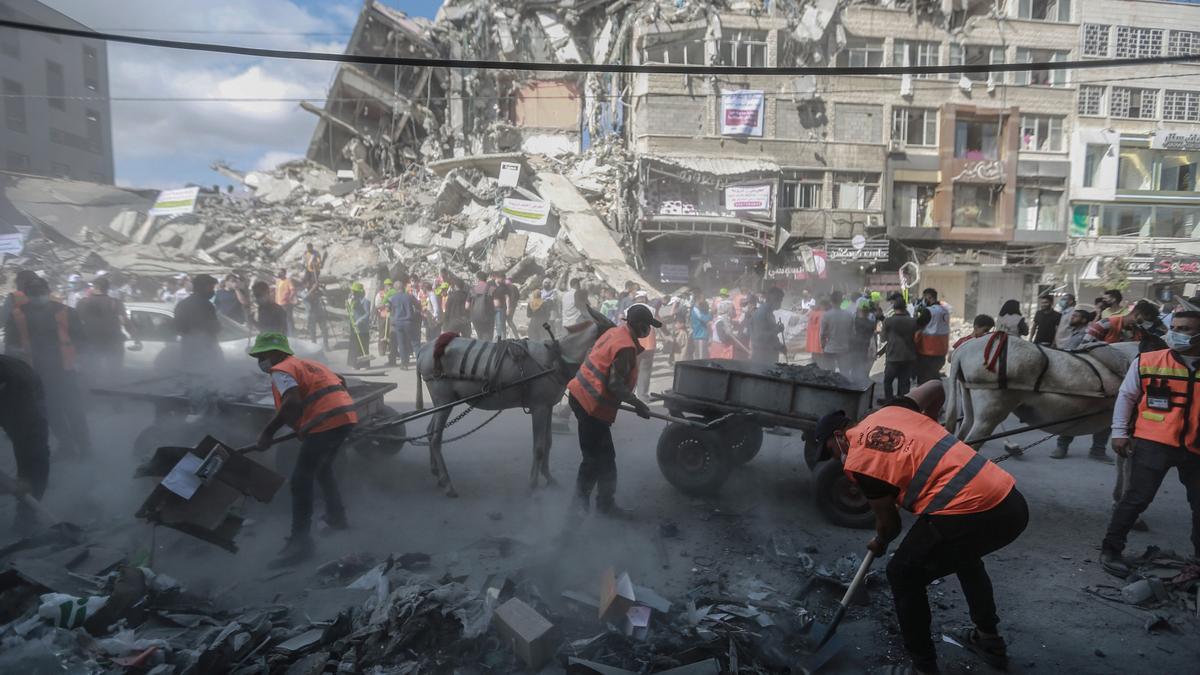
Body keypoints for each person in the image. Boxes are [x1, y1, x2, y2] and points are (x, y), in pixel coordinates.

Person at [809, 382, 1027, 675]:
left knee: (902, 572)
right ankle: (989, 640)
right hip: (1010, 502)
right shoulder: (893, 410)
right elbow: (937, 387)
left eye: (831, 452)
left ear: (838, 435)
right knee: (963, 555)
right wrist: (931, 426)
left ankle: (922, 668)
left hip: (973, 508)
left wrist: (880, 541)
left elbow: (890, 526)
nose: (835, 459)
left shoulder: (860, 460)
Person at [1099, 311, 1200, 578]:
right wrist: (1119, 432)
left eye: (1186, 329)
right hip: (1153, 443)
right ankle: (1110, 550)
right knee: (1135, 499)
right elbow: (1126, 397)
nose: (1177, 333)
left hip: (1196, 448)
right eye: (1175, 327)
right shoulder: (1148, 361)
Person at [250, 332, 357, 567]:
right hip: (345, 416)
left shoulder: (282, 369)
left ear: (279, 352)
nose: (260, 361)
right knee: (323, 468)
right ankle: (337, 517)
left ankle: (300, 543)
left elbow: (292, 403)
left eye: (263, 355)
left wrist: (267, 432)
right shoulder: (309, 364)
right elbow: (340, 380)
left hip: (326, 422)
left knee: (300, 480)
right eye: (258, 356)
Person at [567, 303, 656, 518]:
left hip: (581, 395)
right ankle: (578, 509)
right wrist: (638, 404)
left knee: (605, 457)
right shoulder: (625, 347)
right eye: (649, 327)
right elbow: (615, 384)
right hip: (591, 405)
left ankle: (604, 504)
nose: (649, 331)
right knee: (593, 459)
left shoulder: (616, 331)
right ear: (641, 326)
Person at [5, 277, 90, 458]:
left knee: (73, 410)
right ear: (27, 294)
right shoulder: (17, 314)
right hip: (36, 373)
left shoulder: (66, 312)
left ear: (47, 291)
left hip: (65, 370)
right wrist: (16, 351)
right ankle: (67, 446)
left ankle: (85, 449)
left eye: (41, 292)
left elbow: (81, 340)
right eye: (34, 293)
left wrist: (81, 361)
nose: (38, 296)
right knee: (51, 413)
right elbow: (10, 344)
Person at [0, 354, 50, 533]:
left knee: (33, 453)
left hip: (22, 386)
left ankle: (27, 517)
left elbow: (33, 448)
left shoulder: (18, 391)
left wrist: (21, 484)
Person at [75, 276, 138, 383]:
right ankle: (112, 394)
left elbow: (76, 323)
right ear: (107, 288)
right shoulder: (115, 302)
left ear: (95, 287)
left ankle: (92, 395)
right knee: (115, 374)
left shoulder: (83, 302)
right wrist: (135, 336)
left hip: (91, 343)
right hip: (113, 343)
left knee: (91, 373)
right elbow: (124, 321)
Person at [174, 274, 223, 368]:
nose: (213, 291)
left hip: (188, 349)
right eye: (211, 288)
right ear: (201, 287)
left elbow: (177, 327)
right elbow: (213, 327)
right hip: (205, 350)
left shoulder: (182, 304)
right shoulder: (206, 305)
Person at [881, 300, 918, 401]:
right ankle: (903, 404)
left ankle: (889, 402)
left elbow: (883, 339)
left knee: (888, 381)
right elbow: (917, 337)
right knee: (904, 382)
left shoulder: (888, 321)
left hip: (893, 356)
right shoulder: (913, 321)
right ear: (905, 308)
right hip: (909, 356)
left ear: (894, 309)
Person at [914, 288, 951, 384]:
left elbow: (917, 324)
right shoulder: (945, 310)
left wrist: (916, 312)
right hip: (942, 349)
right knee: (934, 374)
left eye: (924, 298)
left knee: (924, 377)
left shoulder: (929, 311)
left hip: (928, 349)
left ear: (928, 297)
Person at [389, 283, 421, 369]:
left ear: (396, 289)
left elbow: (391, 310)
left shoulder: (393, 298)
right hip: (409, 321)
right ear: (403, 288)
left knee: (401, 343)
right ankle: (421, 361)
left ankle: (404, 364)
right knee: (415, 342)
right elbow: (418, 305)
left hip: (398, 323)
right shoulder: (409, 296)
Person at [749, 287, 785, 364]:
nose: (780, 303)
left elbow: (770, 336)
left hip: (769, 355)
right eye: (780, 301)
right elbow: (759, 336)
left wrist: (779, 346)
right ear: (774, 300)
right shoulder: (761, 314)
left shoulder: (770, 313)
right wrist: (777, 329)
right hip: (762, 358)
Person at [820, 291, 852, 374]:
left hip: (830, 349)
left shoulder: (827, 315)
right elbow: (852, 333)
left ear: (831, 301)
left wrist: (823, 346)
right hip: (844, 349)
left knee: (830, 374)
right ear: (841, 301)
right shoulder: (848, 315)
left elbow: (822, 334)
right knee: (845, 374)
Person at [849, 301, 877, 384]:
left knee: (854, 368)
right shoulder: (871, 323)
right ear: (868, 312)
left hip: (854, 348)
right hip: (865, 348)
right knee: (863, 367)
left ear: (858, 310)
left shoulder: (854, 321)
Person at [634, 304, 658, 401]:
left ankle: (630, 394)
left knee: (633, 369)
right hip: (648, 343)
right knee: (645, 371)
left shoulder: (629, 309)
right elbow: (659, 323)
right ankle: (642, 395)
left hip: (635, 343)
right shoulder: (651, 309)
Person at [346, 282, 371, 367]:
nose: (353, 293)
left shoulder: (366, 302)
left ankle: (365, 364)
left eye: (355, 292)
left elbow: (367, 314)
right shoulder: (353, 301)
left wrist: (358, 321)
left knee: (363, 347)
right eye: (353, 292)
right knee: (355, 346)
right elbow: (350, 311)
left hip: (363, 328)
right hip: (354, 327)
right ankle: (356, 364)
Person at [304, 279, 331, 351]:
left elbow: (327, 296)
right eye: (309, 284)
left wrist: (324, 289)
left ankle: (326, 345)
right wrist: (313, 289)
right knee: (312, 331)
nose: (310, 285)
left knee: (325, 330)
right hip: (311, 314)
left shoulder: (317, 292)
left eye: (311, 284)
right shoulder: (305, 291)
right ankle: (314, 346)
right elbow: (305, 297)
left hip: (320, 313)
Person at [467, 272, 494, 341]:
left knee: (480, 337)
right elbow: (496, 304)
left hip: (476, 317)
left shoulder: (472, 289)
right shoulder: (491, 289)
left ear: (477, 279)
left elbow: (466, 306)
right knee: (488, 338)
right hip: (488, 316)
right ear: (486, 279)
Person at [274, 269, 297, 334]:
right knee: (280, 319)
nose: (279, 274)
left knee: (288, 319)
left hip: (286, 304)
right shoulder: (278, 281)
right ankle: (283, 333)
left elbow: (293, 290)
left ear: (284, 273)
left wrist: (290, 298)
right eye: (279, 273)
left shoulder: (288, 281)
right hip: (278, 303)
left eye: (281, 273)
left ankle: (291, 334)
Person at [806, 298, 826, 368]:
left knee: (814, 352)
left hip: (813, 335)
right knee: (819, 353)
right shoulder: (823, 313)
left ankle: (815, 365)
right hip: (817, 335)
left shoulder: (811, 313)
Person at [490, 273, 508, 341]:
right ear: (498, 278)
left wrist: (508, 308)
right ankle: (498, 337)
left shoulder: (504, 287)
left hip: (501, 308)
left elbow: (507, 298)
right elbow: (489, 296)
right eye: (502, 279)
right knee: (496, 323)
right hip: (492, 308)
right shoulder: (491, 286)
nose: (503, 281)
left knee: (500, 323)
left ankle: (501, 338)